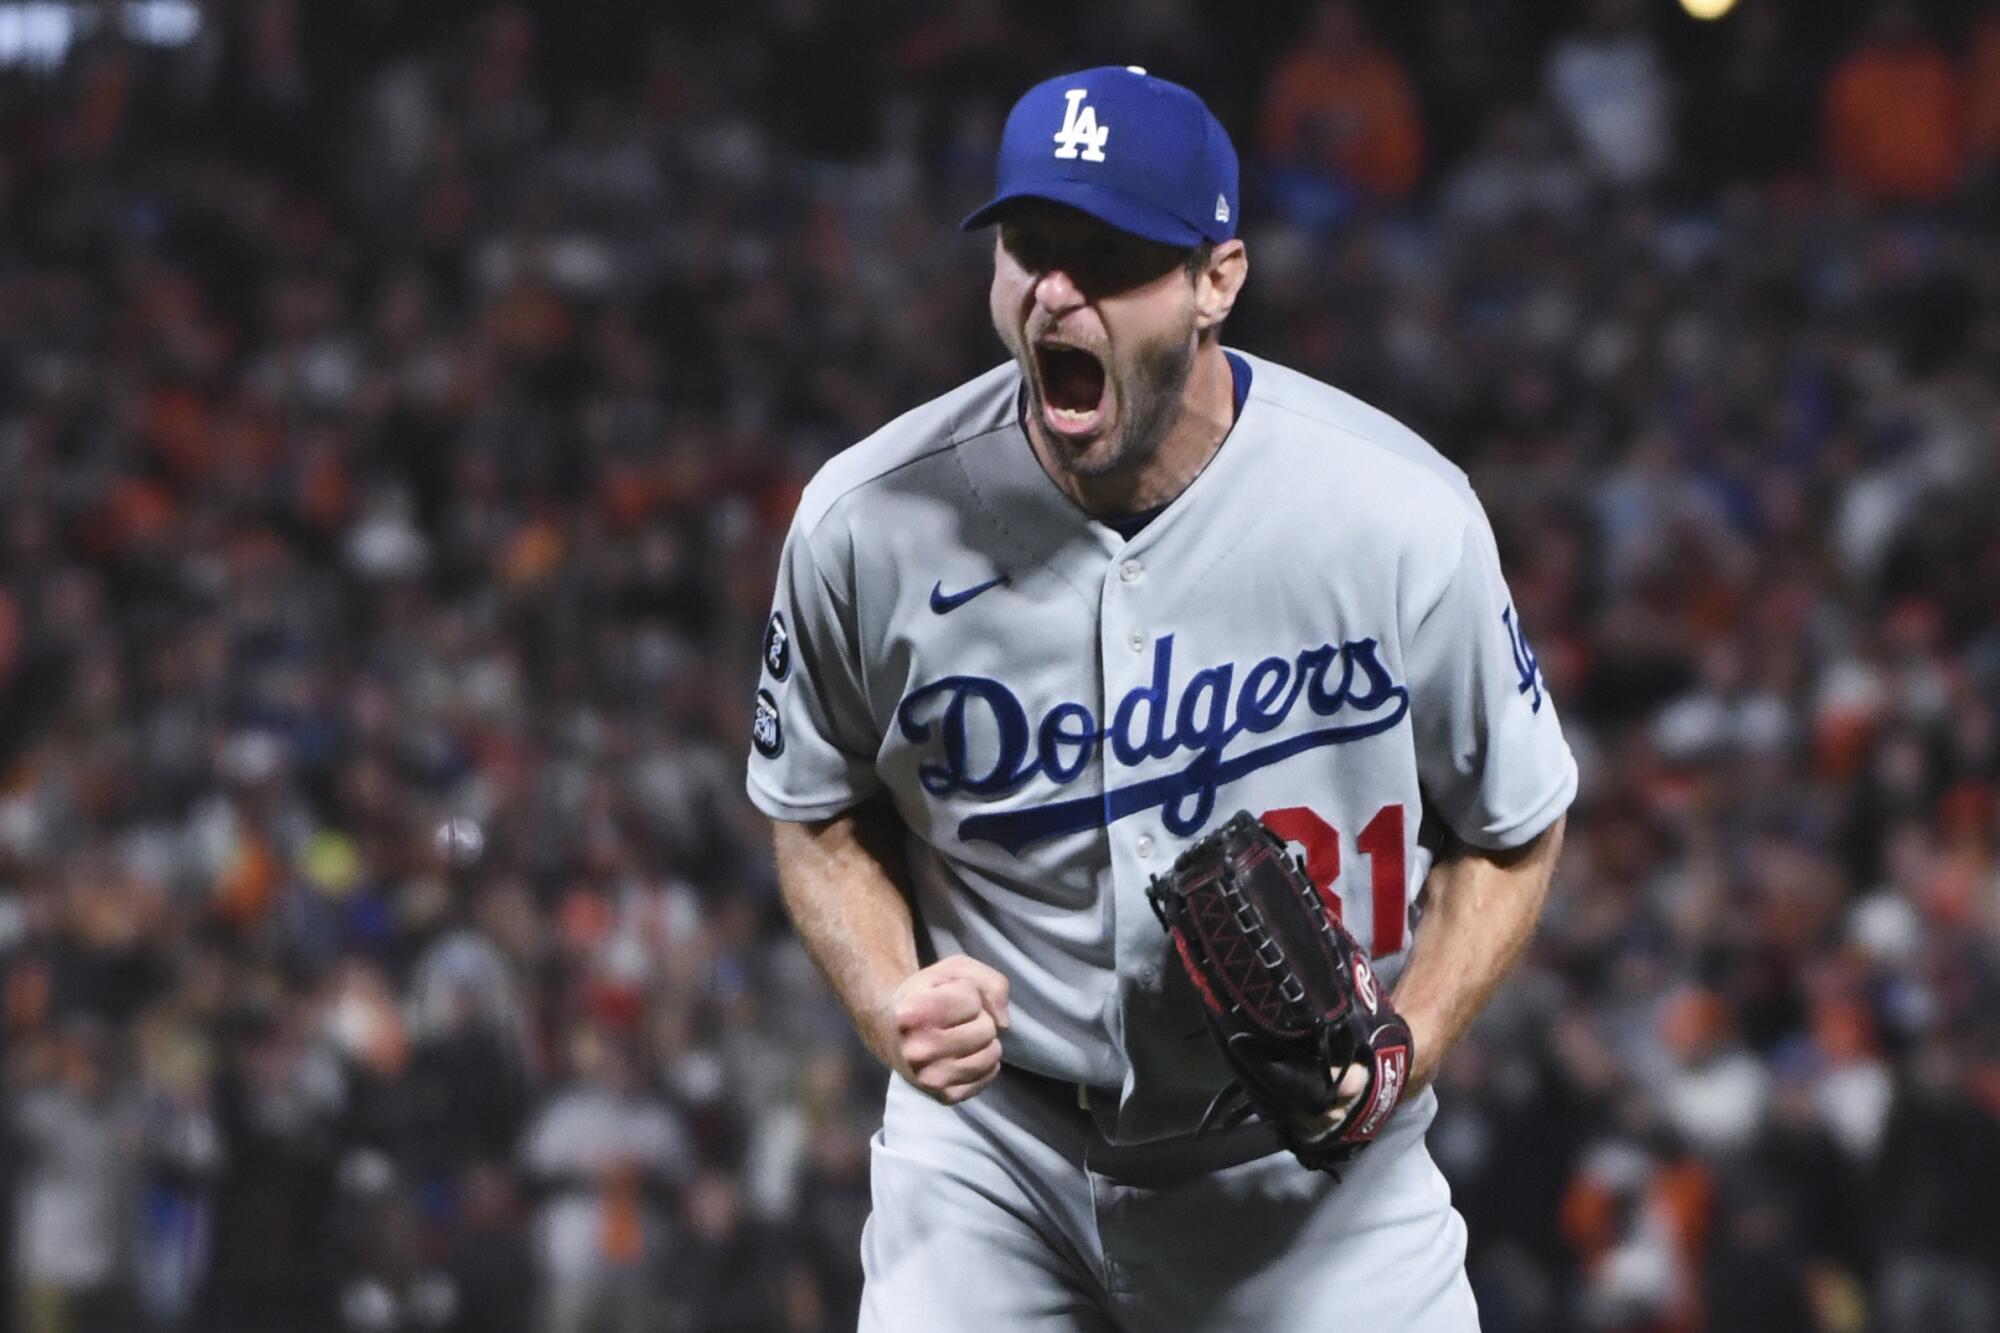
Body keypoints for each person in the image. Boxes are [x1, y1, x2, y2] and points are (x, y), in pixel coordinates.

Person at [746, 65, 1574, 1331]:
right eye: (1029, 247)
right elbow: (813, 808)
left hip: (1313, 1189)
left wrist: (1406, 1039)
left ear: (1216, 281)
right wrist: (886, 993)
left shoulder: (1393, 515)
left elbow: (1512, 826)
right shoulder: (866, 524)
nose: (1055, 292)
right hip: (992, 1165)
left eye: (1110, 255)